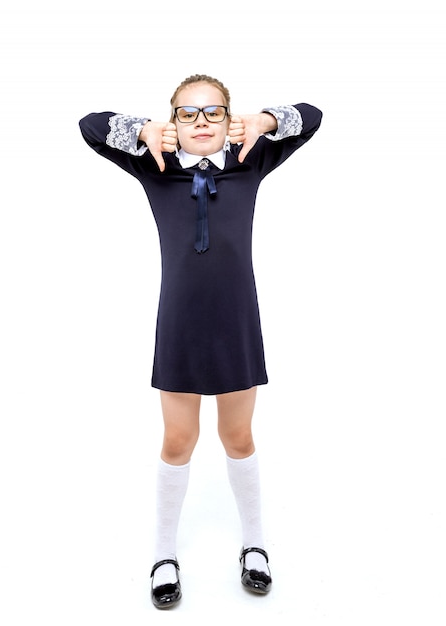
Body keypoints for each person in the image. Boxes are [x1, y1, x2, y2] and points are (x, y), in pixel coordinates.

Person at [79, 74, 322, 609]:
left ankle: (254, 543)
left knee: (238, 438)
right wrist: (143, 131)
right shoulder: (155, 169)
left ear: (229, 118)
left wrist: (264, 122)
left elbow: (313, 114)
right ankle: (164, 553)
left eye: (214, 112)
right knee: (177, 441)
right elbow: (91, 128)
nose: (202, 122)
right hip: (182, 324)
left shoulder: (250, 162)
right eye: (188, 114)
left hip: (236, 320)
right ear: (173, 123)